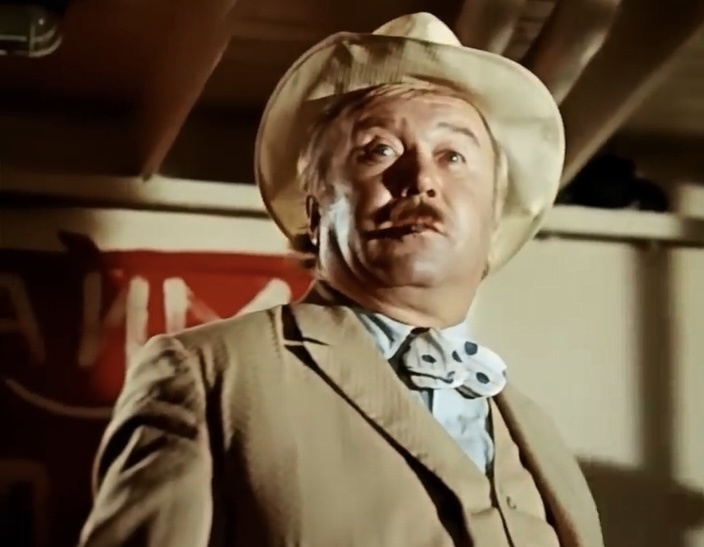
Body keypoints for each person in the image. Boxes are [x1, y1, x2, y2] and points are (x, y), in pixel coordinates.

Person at [79, 12, 603, 547]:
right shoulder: (207, 375)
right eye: (379, 150)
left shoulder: (535, 431)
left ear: (492, 219)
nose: (421, 178)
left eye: (453, 155)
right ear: (315, 209)